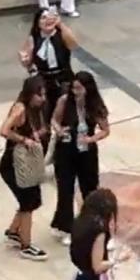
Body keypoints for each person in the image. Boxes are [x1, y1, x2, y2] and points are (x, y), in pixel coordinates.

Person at [50, 71, 110, 243]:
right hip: (66, 150)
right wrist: (59, 130)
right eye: (73, 88)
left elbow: (105, 129)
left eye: (79, 88)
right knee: (65, 189)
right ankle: (66, 226)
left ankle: (93, 226)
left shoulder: (95, 105)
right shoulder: (64, 101)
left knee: (90, 189)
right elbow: (54, 119)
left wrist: (92, 138)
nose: (75, 92)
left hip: (87, 150)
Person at [0, 75, 50, 261]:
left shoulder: (35, 110)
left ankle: (13, 231)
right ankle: (26, 245)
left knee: (30, 199)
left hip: (27, 163)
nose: (42, 99)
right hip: (13, 164)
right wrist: (23, 139)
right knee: (28, 201)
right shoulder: (20, 108)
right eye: (39, 95)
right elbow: (4, 130)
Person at [19, 7, 78, 124]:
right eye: (43, 18)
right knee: (45, 110)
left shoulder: (61, 34)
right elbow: (28, 62)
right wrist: (24, 60)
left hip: (63, 76)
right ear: (38, 22)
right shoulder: (34, 39)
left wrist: (60, 24)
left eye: (50, 17)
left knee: (66, 108)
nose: (47, 21)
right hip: (44, 78)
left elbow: (73, 44)